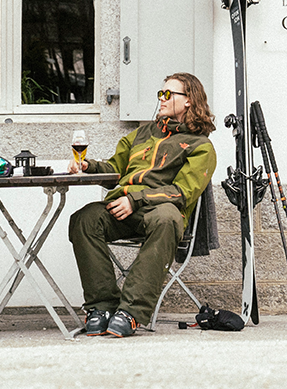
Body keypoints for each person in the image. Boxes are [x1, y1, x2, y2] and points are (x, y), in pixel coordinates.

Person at [67, 72, 217, 337]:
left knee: (167, 219)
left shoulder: (201, 146)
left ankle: (131, 312)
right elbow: (115, 168)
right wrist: (89, 166)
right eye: (161, 93)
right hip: (123, 207)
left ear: (189, 100)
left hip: (159, 211)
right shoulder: (140, 135)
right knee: (85, 219)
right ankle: (102, 306)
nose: (162, 98)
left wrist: (135, 200)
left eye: (168, 94)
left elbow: (182, 192)